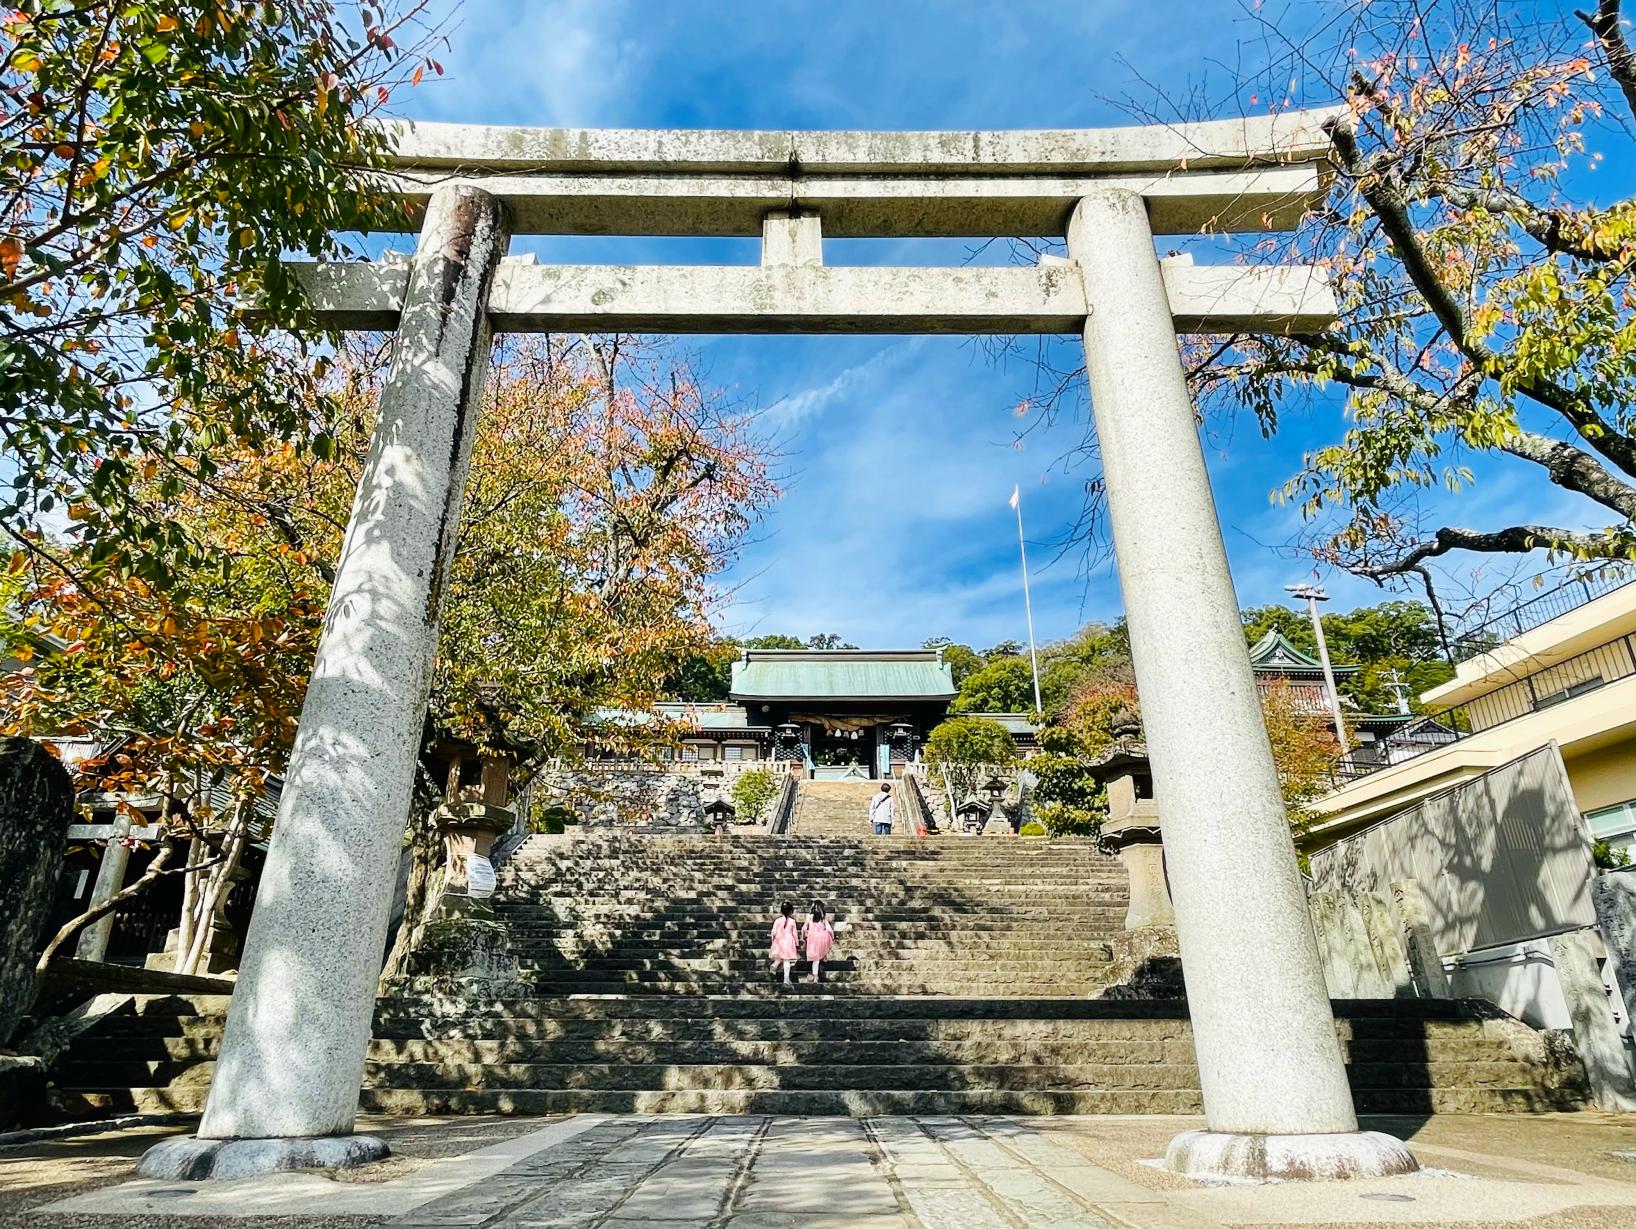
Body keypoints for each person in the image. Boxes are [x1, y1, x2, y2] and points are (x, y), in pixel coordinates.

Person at [769, 899, 800, 986]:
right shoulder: (792, 921)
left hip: (779, 941)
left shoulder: (777, 921)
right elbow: (795, 933)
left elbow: (774, 932)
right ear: (791, 911)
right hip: (789, 942)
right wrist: (797, 943)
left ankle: (775, 965)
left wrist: (773, 940)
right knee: (786, 960)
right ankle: (786, 978)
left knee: (779, 956)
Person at [803, 902, 835, 984]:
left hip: (812, 938)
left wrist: (804, 936)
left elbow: (804, 928)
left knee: (815, 960)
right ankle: (824, 956)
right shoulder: (823, 918)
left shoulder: (809, 917)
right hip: (822, 938)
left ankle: (815, 977)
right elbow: (829, 930)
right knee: (825, 946)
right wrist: (833, 937)